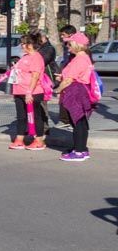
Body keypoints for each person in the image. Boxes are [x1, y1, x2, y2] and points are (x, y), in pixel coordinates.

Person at [55, 32, 96, 161]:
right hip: (80, 91)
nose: (68, 46)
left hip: (75, 92)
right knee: (80, 122)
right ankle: (81, 149)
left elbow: (69, 80)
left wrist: (58, 90)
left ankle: (79, 152)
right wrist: (62, 76)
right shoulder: (84, 57)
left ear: (77, 45)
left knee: (77, 122)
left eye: (70, 44)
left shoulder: (79, 59)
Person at [9, 34, 47, 151]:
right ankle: (19, 139)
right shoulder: (24, 57)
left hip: (32, 92)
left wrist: (29, 92)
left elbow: (35, 76)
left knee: (35, 117)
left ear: (30, 45)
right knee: (21, 117)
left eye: (23, 43)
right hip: (19, 91)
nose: (21, 45)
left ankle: (39, 140)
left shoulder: (36, 57)